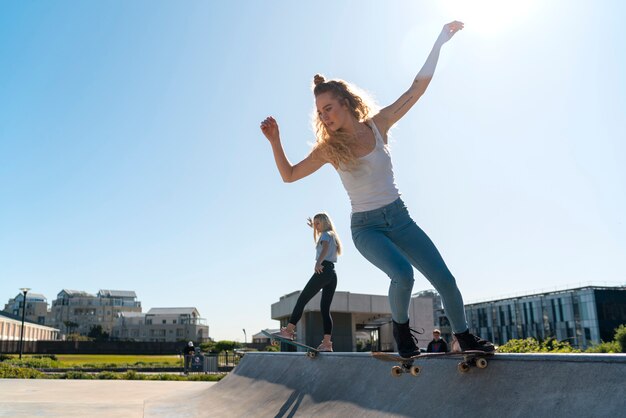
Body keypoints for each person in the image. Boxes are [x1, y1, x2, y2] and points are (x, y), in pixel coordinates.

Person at [261, 21, 495, 358]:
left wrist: (440, 42)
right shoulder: (329, 149)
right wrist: (275, 141)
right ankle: (402, 335)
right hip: (366, 227)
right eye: (319, 112)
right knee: (403, 274)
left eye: (329, 108)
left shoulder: (378, 124)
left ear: (345, 102)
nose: (325, 117)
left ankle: (464, 338)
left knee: (446, 280)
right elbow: (290, 175)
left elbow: (417, 88)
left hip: (400, 218)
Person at [273, 213, 342, 352]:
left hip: (323, 270)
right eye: (314, 223)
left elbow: (325, 247)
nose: (316, 226)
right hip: (332, 274)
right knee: (325, 309)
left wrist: (318, 262)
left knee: (302, 299)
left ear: (324, 222)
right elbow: (327, 244)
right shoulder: (332, 234)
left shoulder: (324, 235)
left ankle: (289, 331)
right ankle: (327, 344)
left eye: (318, 223)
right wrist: (313, 227)